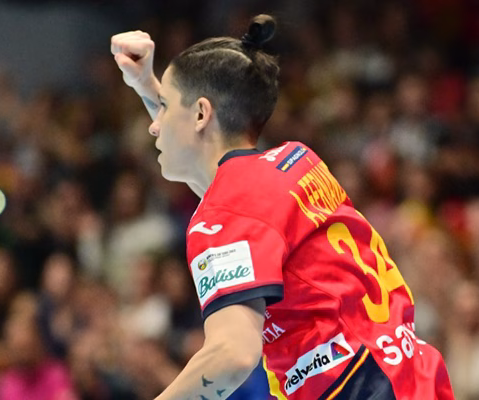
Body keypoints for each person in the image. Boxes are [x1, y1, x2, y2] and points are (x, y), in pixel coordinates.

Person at [110, 14, 453, 399]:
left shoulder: (225, 213)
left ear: (202, 113)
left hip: (356, 387)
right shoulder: (294, 161)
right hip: (409, 374)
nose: (154, 126)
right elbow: (216, 179)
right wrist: (146, 85)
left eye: (165, 107)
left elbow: (233, 355)